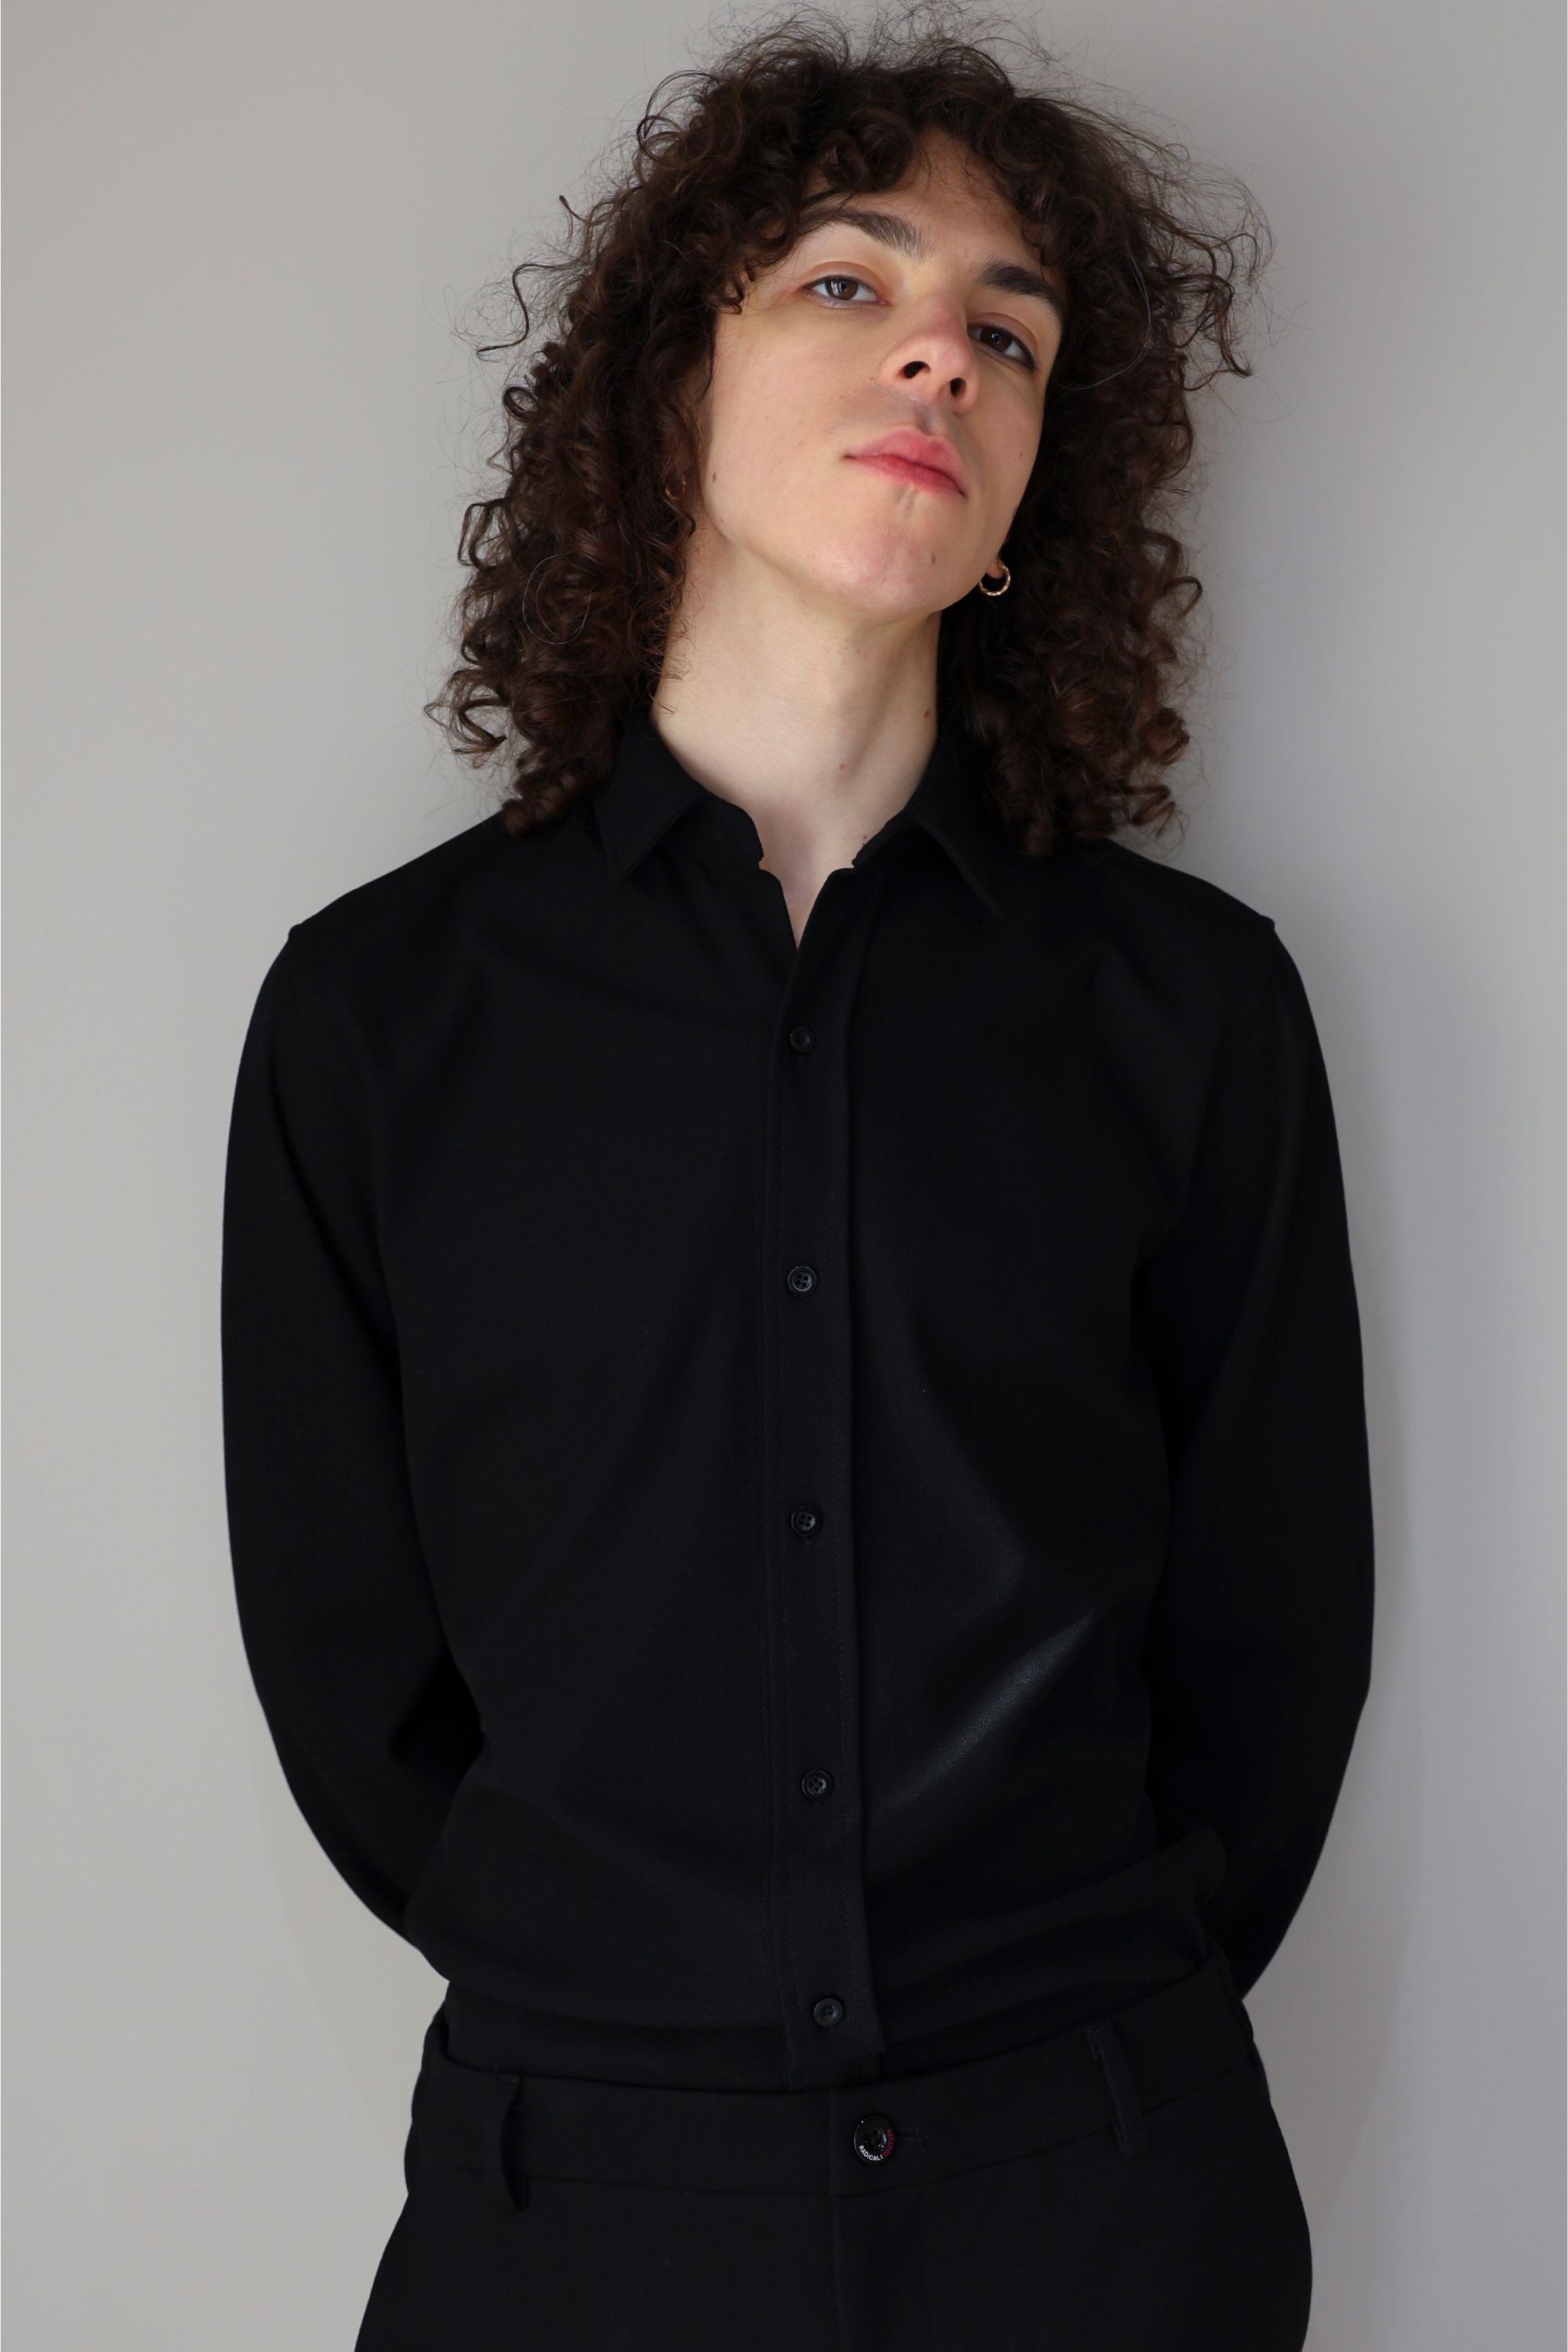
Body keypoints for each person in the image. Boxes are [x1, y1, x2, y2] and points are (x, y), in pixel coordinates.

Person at [220, 13, 1374, 2347]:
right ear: (676, 383)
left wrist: (1062, 2028)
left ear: (1039, 479)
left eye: (1010, 334)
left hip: (1101, 2200)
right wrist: (640, 2001)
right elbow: (353, 1681)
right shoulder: (378, 1017)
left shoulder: (1189, 1009)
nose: (942, 351)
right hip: (586, 2212)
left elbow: (1274, 1638)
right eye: (850, 283)